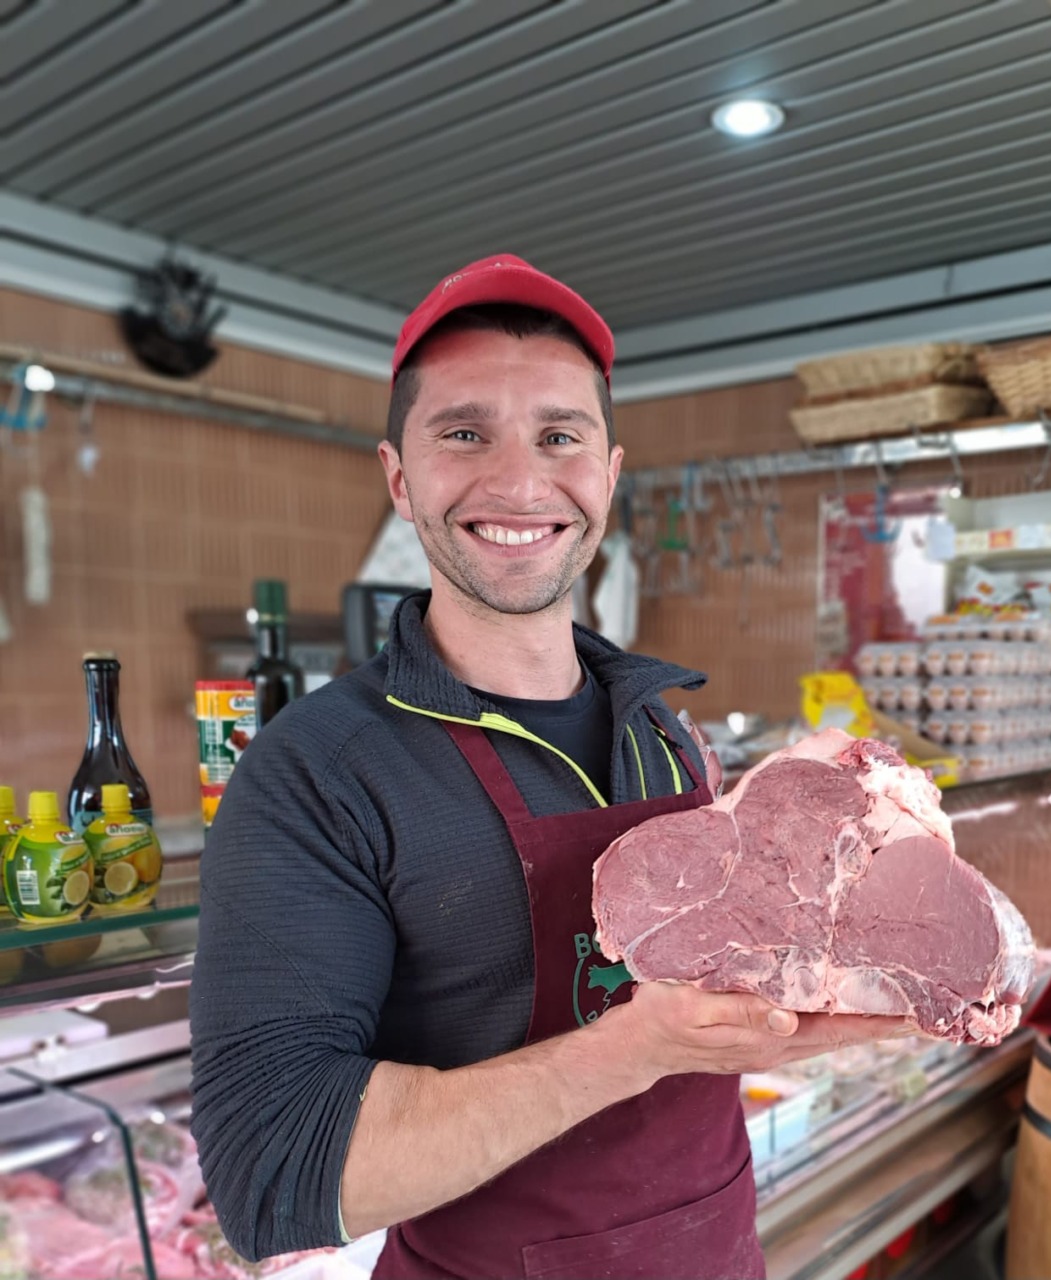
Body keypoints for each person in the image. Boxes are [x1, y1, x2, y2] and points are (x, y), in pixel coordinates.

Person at [189, 254, 908, 1280]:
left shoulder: (662, 728)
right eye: (465, 432)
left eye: (559, 435)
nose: (520, 481)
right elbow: (272, 1173)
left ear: (609, 474)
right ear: (400, 475)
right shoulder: (315, 772)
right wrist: (636, 1045)